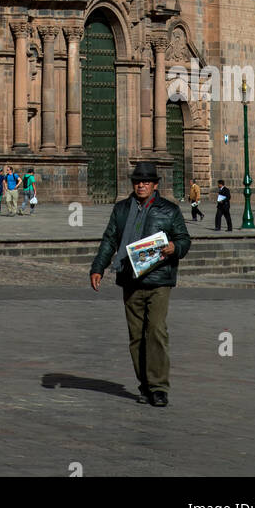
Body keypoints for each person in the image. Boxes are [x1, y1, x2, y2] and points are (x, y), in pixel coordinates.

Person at [90, 162, 191, 407]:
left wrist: (174, 247)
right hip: (130, 279)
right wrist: (98, 267)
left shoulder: (169, 210)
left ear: (155, 185)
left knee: (155, 331)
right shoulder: (122, 209)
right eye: (137, 181)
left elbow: (184, 239)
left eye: (146, 182)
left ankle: (158, 387)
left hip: (158, 280)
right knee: (136, 336)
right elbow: (110, 239)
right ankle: (144, 385)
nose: (141, 185)